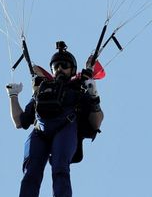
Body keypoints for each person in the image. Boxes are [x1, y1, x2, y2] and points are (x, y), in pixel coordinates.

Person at [7, 42, 103, 197]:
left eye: (64, 65)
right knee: (30, 174)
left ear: (72, 70)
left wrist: (93, 96)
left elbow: (96, 122)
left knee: (60, 170)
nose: (59, 69)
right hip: (39, 133)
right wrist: (13, 95)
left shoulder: (78, 90)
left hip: (65, 128)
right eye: (55, 66)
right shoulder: (42, 92)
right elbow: (20, 121)